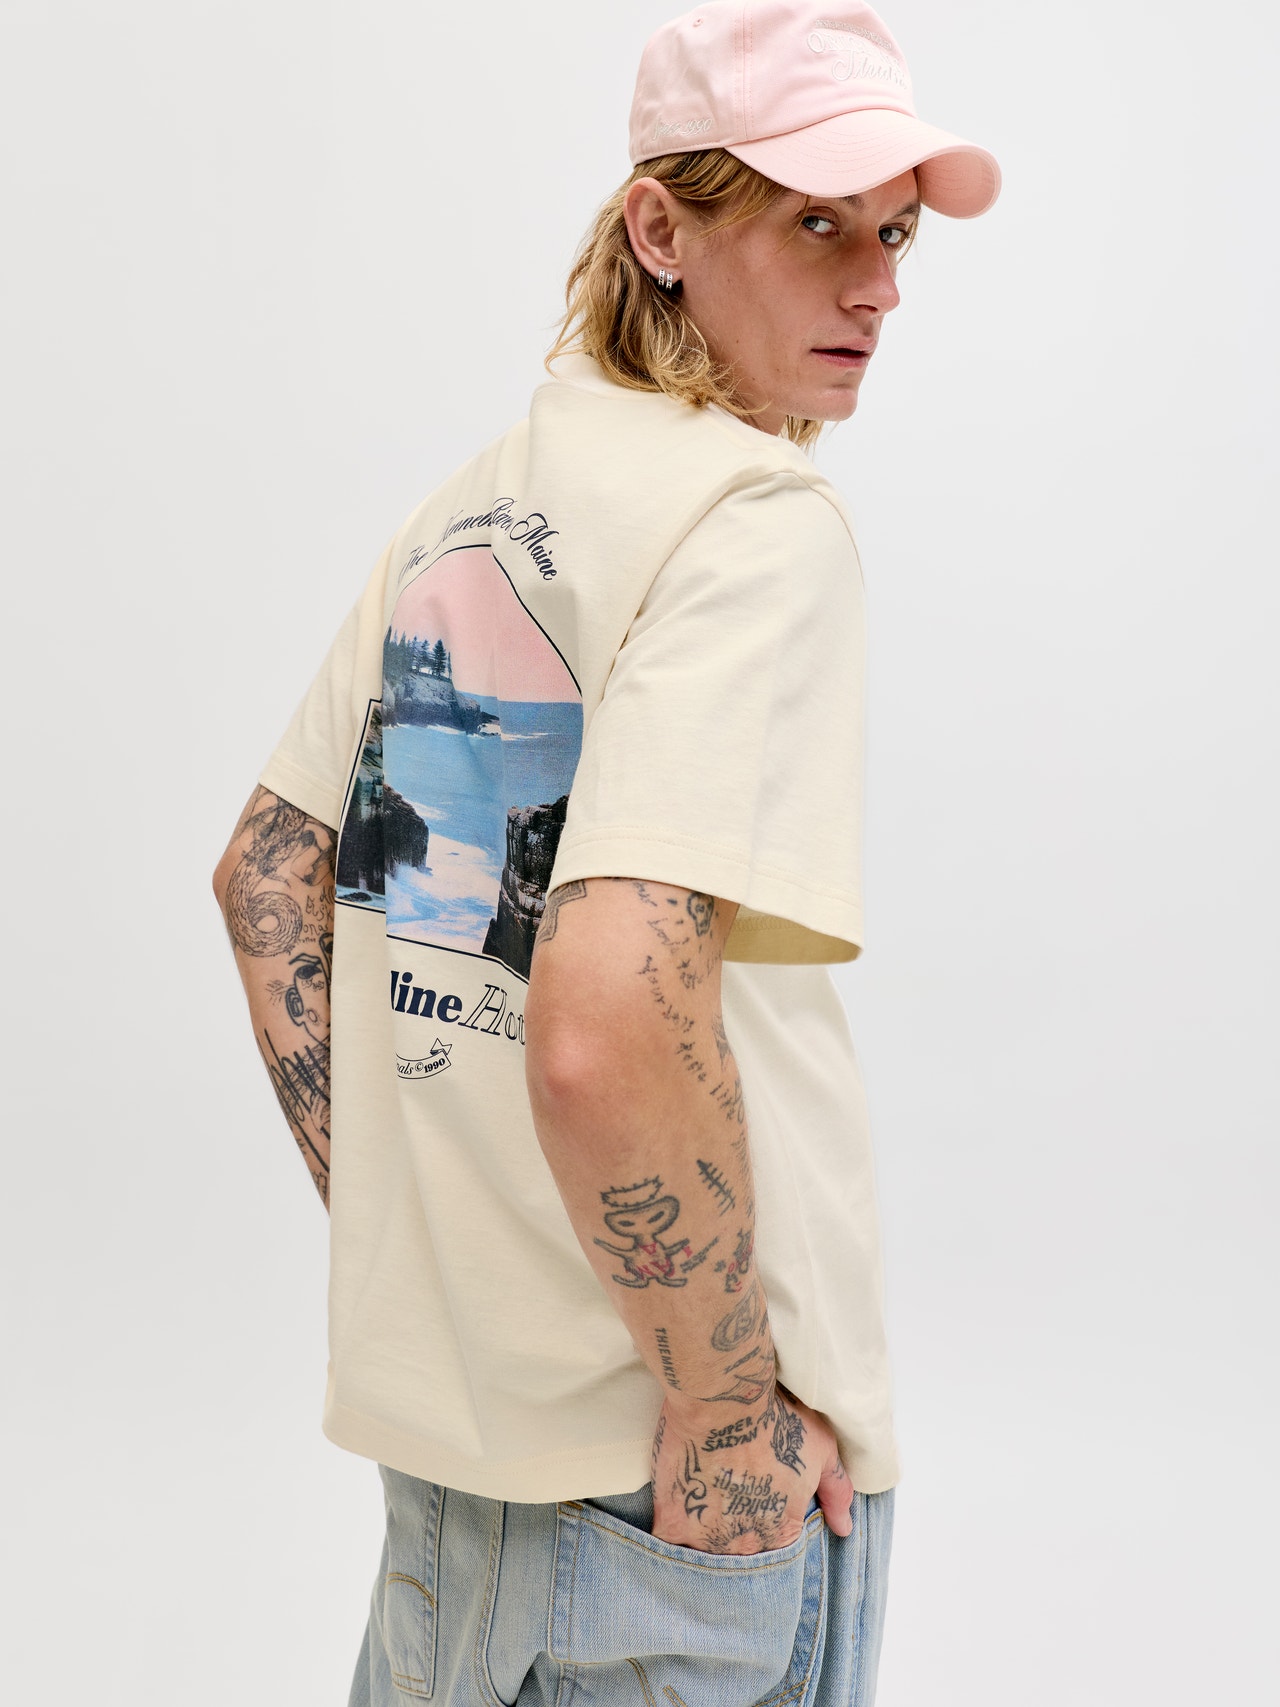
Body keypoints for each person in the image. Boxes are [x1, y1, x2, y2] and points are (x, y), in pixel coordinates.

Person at [212, 3, 1000, 1701]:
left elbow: (267, 881)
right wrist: (720, 1412)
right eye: (816, 222)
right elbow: (603, 1007)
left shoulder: (474, 511)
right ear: (661, 228)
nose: (876, 286)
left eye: (894, 234)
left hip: (458, 1485)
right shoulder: (755, 523)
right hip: (666, 1510)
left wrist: (442, 1238)